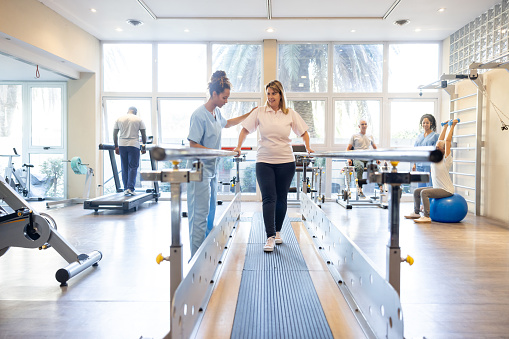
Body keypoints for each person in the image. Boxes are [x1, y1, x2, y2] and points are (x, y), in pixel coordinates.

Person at [233, 80, 314, 252]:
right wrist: (238, 146)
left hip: (286, 161)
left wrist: (308, 148)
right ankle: (269, 236)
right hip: (264, 161)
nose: (270, 97)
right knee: (269, 198)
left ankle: (278, 232)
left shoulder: (289, 113)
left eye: (273, 93)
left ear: (280, 95)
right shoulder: (260, 112)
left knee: (281, 198)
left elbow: (304, 132)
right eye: (268, 94)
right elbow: (245, 130)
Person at [187, 70, 255, 257]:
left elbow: (228, 124)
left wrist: (249, 114)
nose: (226, 101)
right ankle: (196, 258)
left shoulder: (216, 113)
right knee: (198, 216)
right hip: (199, 170)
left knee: (210, 213)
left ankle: (206, 252)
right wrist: (220, 152)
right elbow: (193, 145)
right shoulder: (199, 115)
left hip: (212, 169)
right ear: (214, 94)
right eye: (224, 97)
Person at [405, 119, 458, 223]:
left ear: (444, 150)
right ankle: (416, 213)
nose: (436, 148)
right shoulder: (436, 156)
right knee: (417, 191)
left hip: (446, 189)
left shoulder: (446, 159)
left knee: (424, 193)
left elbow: (447, 142)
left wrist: (452, 126)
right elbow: (440, 140)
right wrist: (445, 127)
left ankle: (427, 216)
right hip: (438, 187)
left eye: (438, 148)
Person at [113, 106, 146, 196]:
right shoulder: (139, 119)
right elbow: (143, 134)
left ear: (128, 111)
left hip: (122, 145)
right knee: (133, 167)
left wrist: (116, 146)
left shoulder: (119, 119)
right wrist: (143, 146)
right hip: (134, 145)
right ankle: (130, 188)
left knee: (124, 167)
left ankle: (125, 188)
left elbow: (114, 134)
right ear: (135, 112)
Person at [346, 119, 379, 197]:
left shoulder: (370, 136)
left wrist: (377, 158)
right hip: (357, 158)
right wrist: (349, 159)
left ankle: (381, 187)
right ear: (359, 126)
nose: (364, 126)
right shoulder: (354, 136)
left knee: (375, 167)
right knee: (360, 167)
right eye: (362, 124)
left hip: (367, 158)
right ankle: (359, 189)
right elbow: (348, 149)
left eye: (365, 124)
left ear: (367, 125)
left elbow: (375, 148)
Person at [412, 114, 439, 187]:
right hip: (419, 164)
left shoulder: (435, 136)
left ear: (431, 123)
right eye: (424, 123)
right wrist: (414, 164)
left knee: (429, 185)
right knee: (420, 185)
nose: (425, 124)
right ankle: (421, 199)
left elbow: (436, 152)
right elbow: (415, 150)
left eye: (427, 123)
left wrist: (433, 166)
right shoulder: (419, 136)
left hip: (429, 165)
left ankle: (430, 199)